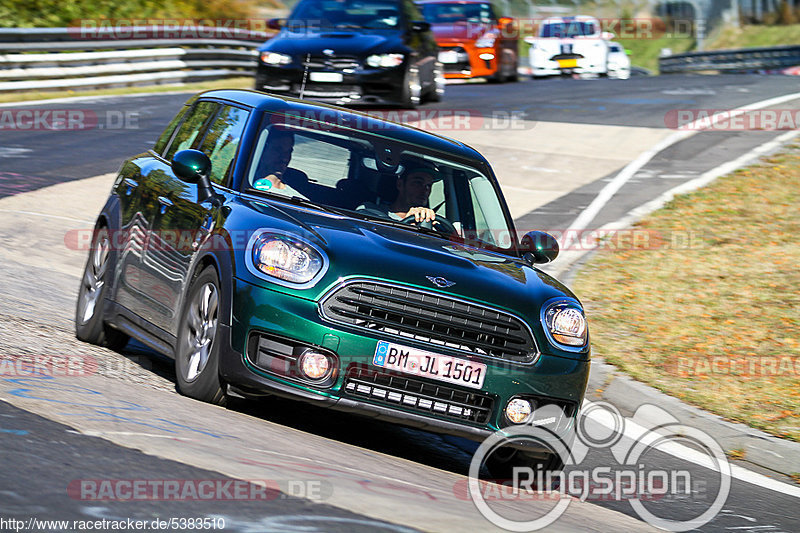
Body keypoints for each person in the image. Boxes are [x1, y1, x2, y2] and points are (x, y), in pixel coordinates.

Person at [358, 164, 438, 223]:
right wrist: (408, 223)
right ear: (400, 184)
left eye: (429, 185)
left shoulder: (429, 221)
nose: (425, 190)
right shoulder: (370, 211)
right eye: (418, 183)